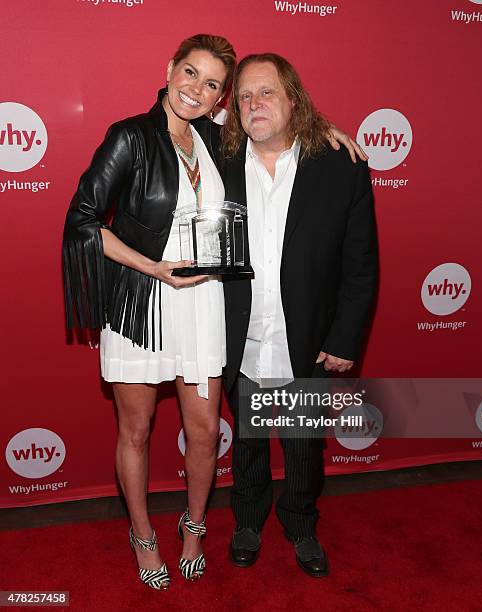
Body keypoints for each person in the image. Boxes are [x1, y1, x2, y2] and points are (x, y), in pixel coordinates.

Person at [63, 34, 363, 589]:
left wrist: (326, 130)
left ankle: (195, 527)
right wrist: (152, 268)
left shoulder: (211, 140)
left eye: (212, 85)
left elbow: (285, 135)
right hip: (138, 306)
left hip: (203, 307)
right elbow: (83, 221)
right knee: (137, 429)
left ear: (219, 99)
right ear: (170, 69)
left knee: (205, 434)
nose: (197, 90)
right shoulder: (131, 136)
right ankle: (143, 535)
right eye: (190, 74)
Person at [220, 53, 378, 578]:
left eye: (267, 93)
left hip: (305, 335)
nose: (254, 104)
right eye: (244, 96)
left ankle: (302, 524)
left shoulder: (340, 167)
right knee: (246, 440)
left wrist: (345, 336)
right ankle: (248, 520)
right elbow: (175, 113)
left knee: (304, 443)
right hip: (236, 335)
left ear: (293, 99)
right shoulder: (217, 162)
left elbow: (360, 265)